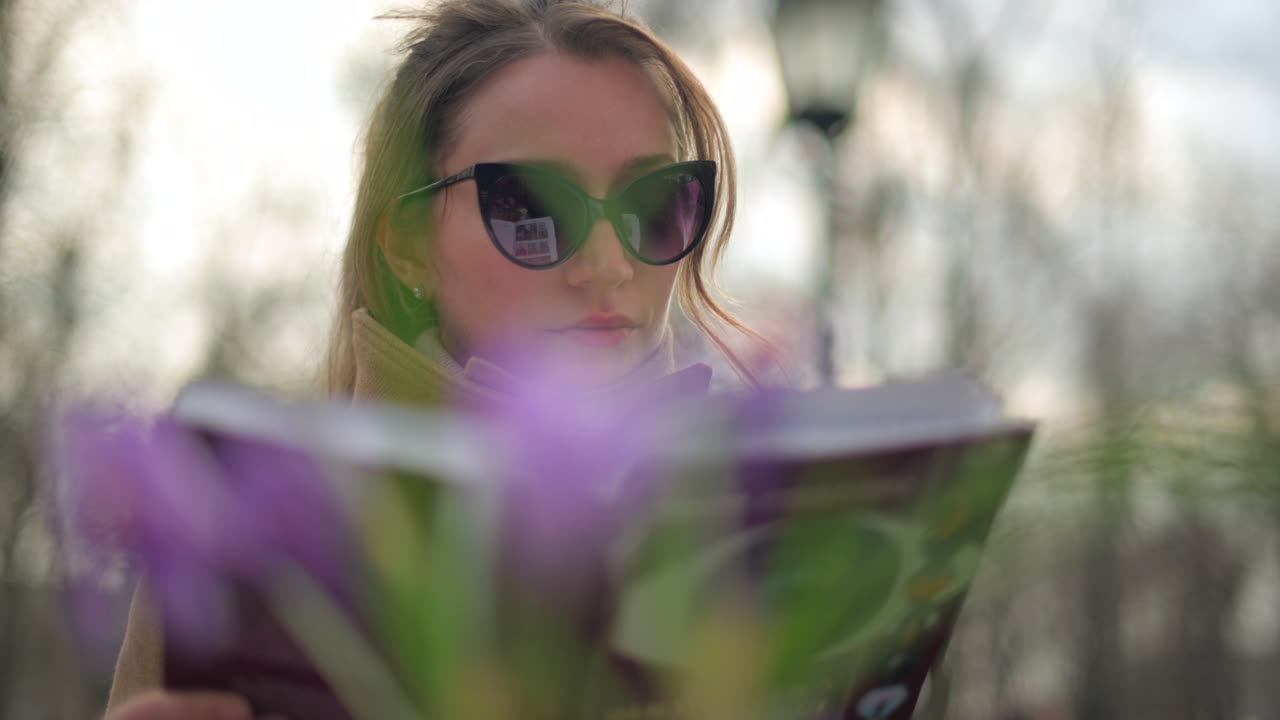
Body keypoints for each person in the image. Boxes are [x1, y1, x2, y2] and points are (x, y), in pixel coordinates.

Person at [104, 0, 763, 717]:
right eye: (532, 207)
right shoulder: (241, 537)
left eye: (656, 200)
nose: (606, 264)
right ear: (409, 243)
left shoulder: (775, 523)